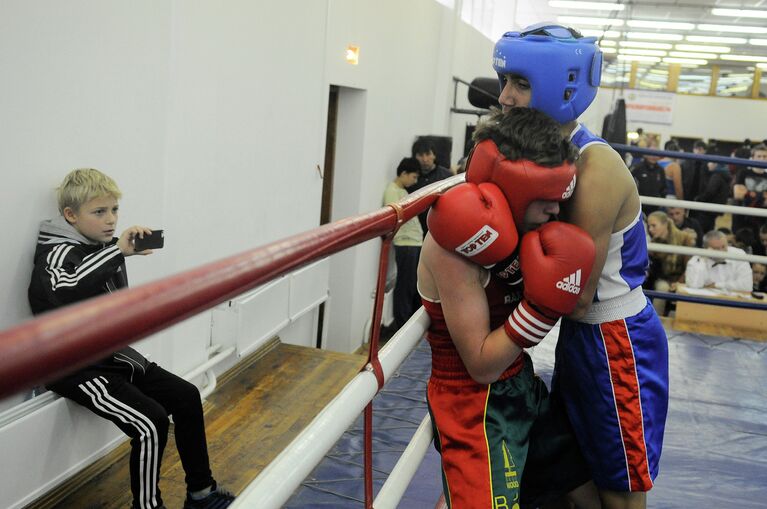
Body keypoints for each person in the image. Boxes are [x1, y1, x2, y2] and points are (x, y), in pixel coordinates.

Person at [493, 22, 669, 509]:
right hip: (581, 338)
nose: (504, 97)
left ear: (561, 87)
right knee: (576, 477)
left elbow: (576, 295)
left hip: (615, 340)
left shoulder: (593, 169)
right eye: (506, 81)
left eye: (521, 84)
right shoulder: (540, 158)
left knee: (619, 489)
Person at [419, 107, 600, 509]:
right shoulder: (455, 247)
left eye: (561, 196)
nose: (557, 211)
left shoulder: (526, 225)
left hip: (521, 382)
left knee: (590, 497)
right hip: (473, 403)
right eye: (547, 199)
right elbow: (482, 365)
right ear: (515, 190)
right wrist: (541, 309)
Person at [27, 169, 234, 509]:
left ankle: (201, 492)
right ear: (70, 215)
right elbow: (64, 287)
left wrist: (118, 250)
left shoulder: (100, 246)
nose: (110, 220)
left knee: (186, 395)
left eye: (114, 210)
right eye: (99, 212)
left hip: (112, 356)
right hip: (74, 366)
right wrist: (117, 252)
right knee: (151, 422)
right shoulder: (56, 253)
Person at [381, 158, 423, 338]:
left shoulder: (401, 190)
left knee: (411, 285)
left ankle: (407, 324)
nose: (414, 181)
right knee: (405, 286)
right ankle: (402, 326)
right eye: (413, 177)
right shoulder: (392, 191)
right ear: (403, 173)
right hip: (406, 243)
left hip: (413, 242)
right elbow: (396, 217)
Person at [646, 211, 696, 315]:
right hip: (663, 279)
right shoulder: (653, 243)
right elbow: (655, 272)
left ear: (665, 224)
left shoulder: (684, 238)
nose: (650, 229)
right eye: (649, 226)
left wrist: (679, 282)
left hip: (683, 278)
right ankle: (657, 320)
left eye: (654, 226)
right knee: (662, 287)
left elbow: (690, 266)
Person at [405, 138, 453, 235]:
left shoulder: (447, 176)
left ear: (434, 155)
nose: (425, 159)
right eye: (420, 155)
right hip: (414, 232)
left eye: (428, 154)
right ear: (415, 156)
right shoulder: (409, 177)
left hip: (439, 228)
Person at [685, 229, 753, 292]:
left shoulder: (739, 254)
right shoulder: (696, 260)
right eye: (716, 248)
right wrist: (703, 259)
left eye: (723, 247)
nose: (721, 252)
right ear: (706, 249)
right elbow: (693, 285)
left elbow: (747, 286)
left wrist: (716, 285)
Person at [629, 137, 666, 216]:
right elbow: (627, 184)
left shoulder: (661, 170)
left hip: (655, 208)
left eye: (656, 154)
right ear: (645, 154)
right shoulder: (637, 168)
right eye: (651, 153)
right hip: (638, 207)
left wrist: (661, 202)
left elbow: (664, 189)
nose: (653, 156)